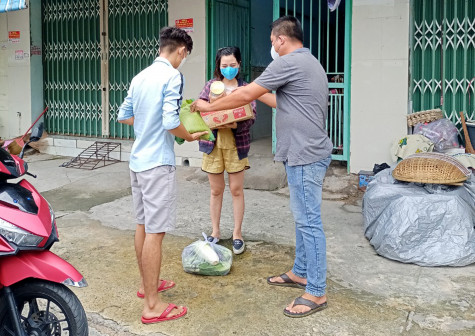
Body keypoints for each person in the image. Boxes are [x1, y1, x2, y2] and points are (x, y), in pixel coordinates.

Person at [191, 16, 333, 318]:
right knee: (302, 218)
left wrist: (209, 106)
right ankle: (301, 272)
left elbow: (247, 93)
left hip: (305, 155)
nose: (272, 48)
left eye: (271, 43)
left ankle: (316, 292)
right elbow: (275, 99)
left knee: (309, 222)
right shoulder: (309, 62)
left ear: (281, 39)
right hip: (307, 153)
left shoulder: (289, 61)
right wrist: (234, 97)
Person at [118, 26, 207, 324]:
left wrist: (147, 125)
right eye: (185, 56)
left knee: (142, 225)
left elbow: (124, 115)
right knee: (156, 233)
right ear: (181, 50)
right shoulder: (172, 75)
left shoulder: (140, 76)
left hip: (138, 160)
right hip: (157, 164)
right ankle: (152, 307)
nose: (183, 61)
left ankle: (147, 287)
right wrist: (190, 136)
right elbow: (171, 121)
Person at [197, 46, 257, 255]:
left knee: (236, 190)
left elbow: (252, 116)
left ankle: (237, 234)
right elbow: (200, 109)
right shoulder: (211, 86)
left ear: (239, 65)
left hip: (235, 144)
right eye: (224, 66)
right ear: (218, 66)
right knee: (216, 190)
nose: (229, 69)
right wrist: (212, 117)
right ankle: (215, 231)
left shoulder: (245, 88)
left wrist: (234, 124)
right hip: (213, 145)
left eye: (232, 65)